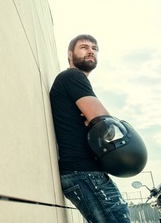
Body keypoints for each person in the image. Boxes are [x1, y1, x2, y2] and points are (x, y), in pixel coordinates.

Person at [49, 34, 130, 223]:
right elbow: (106, 126)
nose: (91, 50)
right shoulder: (72, 75)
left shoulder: (72, 81)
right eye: (84, 47)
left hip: (85, 173)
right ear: (70, 54)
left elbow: (100, 124)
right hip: (84, 172)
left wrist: (96, 121)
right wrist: (99, 121)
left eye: (95, 48)